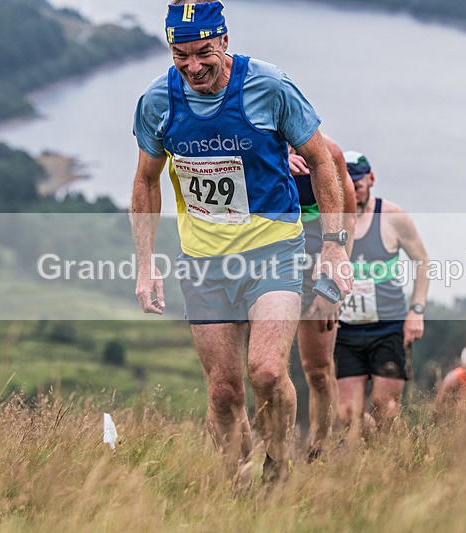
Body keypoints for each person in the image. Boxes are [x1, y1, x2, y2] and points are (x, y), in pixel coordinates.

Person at [130, 0, 352, 486]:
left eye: (203, 52)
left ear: (224, 41)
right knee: (225, 392)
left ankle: (278, 468)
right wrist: (146, 263)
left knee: (268, 372)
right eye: (180, 56)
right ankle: (237, 482)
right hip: (204, 262)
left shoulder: (267, 86)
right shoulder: (157, 102)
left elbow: (322, 160)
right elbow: (146, 182)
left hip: (274, 249)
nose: (193, 66)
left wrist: (334, 248)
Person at [334, 151, 430, 440]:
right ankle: (368, 461)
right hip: (347, 330)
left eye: (358, 185)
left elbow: (423, 261)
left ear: (371, 179)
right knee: (348, 414)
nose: (353, 192)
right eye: (346, 186)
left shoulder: (392, 216)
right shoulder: (332, 218)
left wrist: (416, 311)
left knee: (385, 409)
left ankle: (399, 458)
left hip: (388, 327)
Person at [288, 135, 356, 461]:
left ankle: (320, 450)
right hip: (266, 264)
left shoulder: (329, 153)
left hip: (318, 268)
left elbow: (349, 216)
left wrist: (335, 283)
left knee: (316, 369)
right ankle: (274, 449)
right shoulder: (252, 144)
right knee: (264, 369)